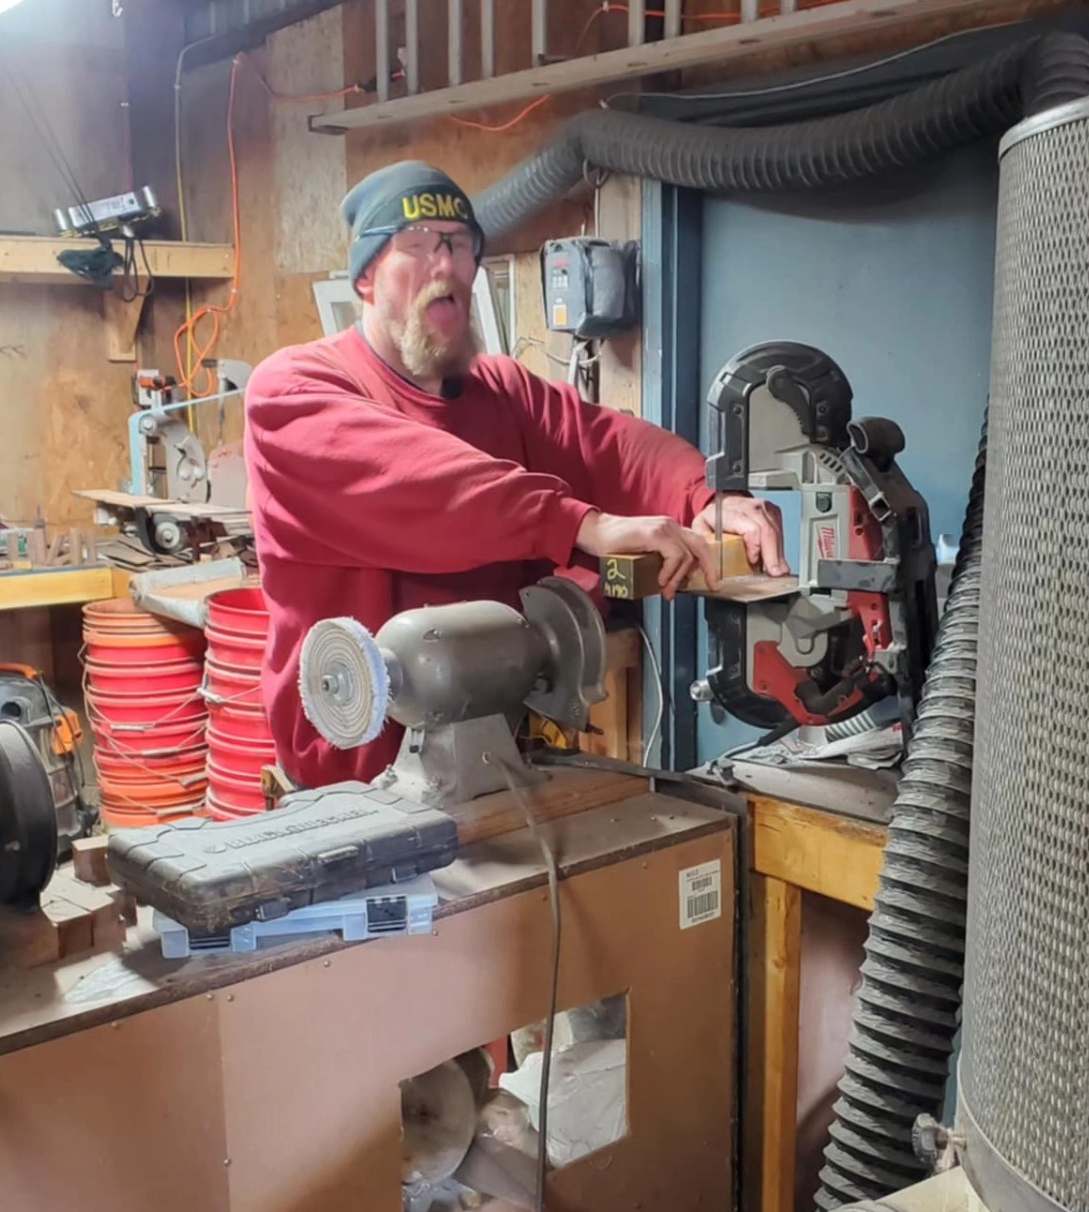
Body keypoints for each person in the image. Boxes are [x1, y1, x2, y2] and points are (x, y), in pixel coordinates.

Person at [245, 160, 786, 787]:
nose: (445, 265)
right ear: (366, 276)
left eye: (460, 245)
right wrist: (583, 525)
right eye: (417, 246)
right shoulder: (294, 391)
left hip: (491, 758)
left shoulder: (500, 389)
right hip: (353, 780)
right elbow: (425, 484)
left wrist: (707, 496)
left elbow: (608, 447)